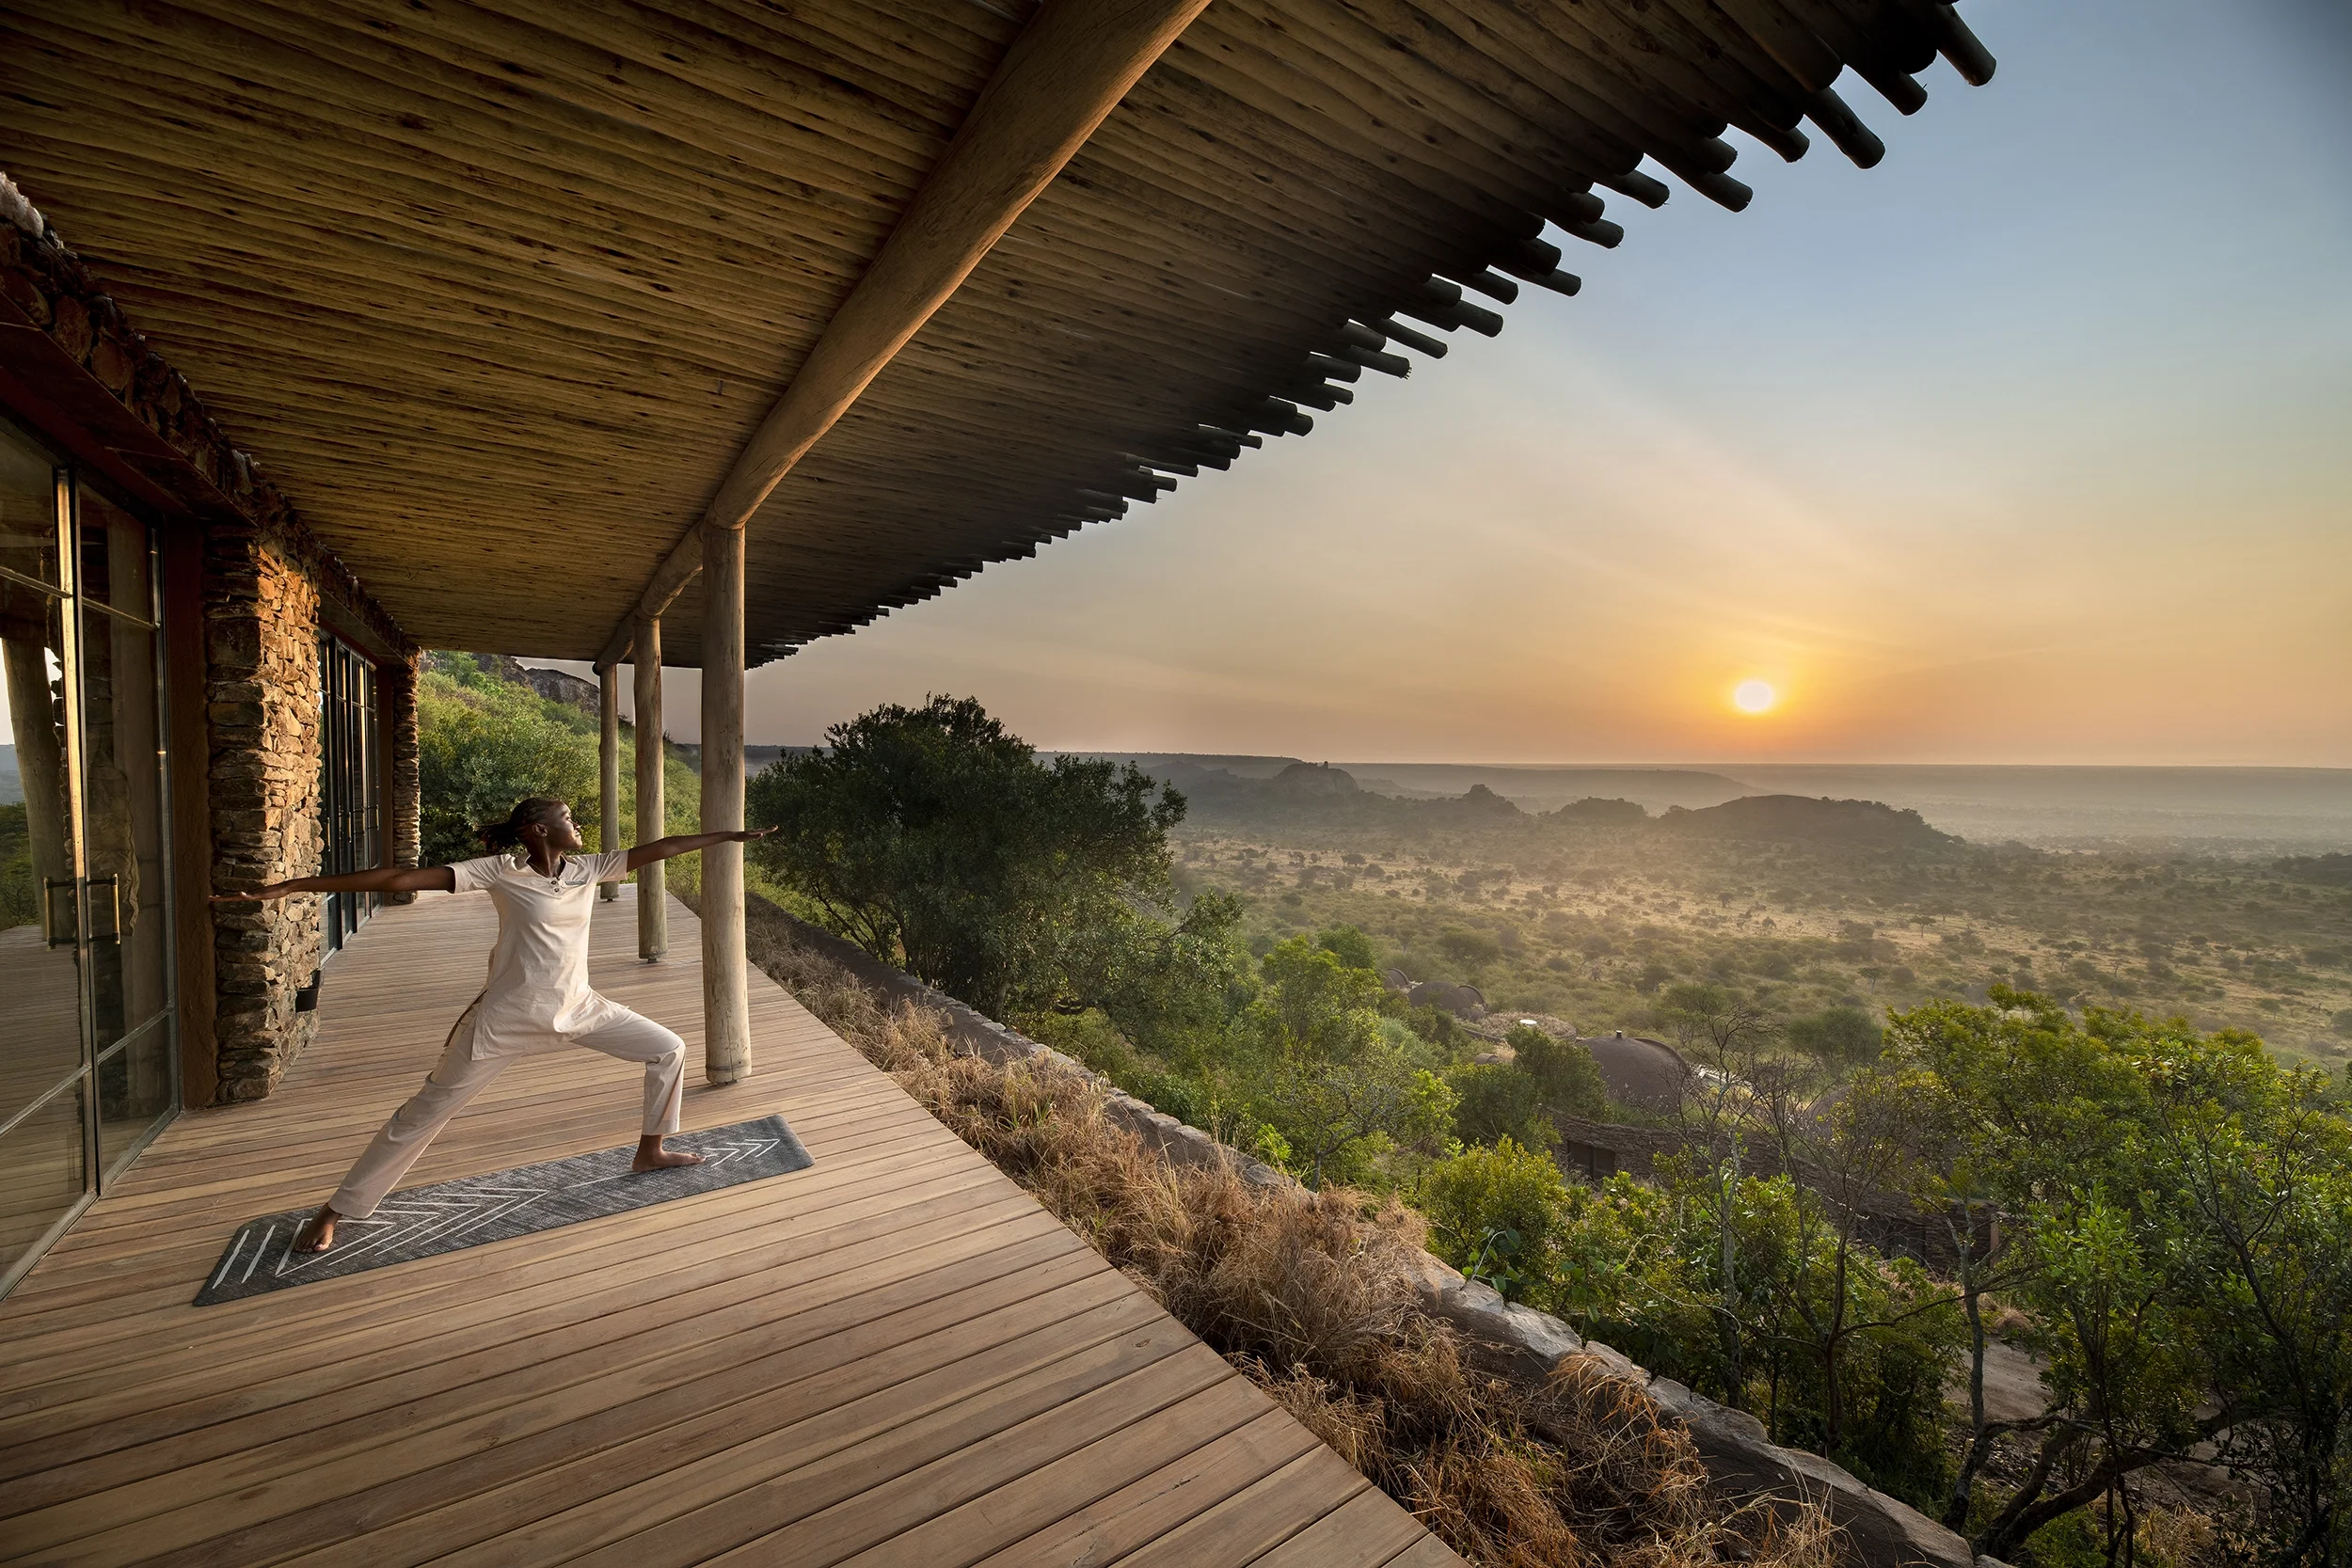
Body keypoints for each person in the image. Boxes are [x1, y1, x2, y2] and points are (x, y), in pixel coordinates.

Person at [213, 797, 773, 1253]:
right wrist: (298, 886)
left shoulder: (588, 869)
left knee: (668, 1048)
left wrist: (726, 836)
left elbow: (663, 848)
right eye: (566, 818)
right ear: (536, 830)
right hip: (504, 1020)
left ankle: (651, 1148)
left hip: (579, 1007)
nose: (575, 824)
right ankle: (337, 1209)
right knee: (424, 1113)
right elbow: (400, 879)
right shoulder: (499, 873)